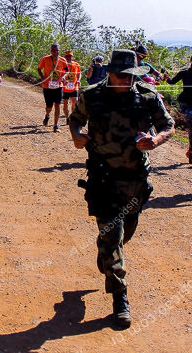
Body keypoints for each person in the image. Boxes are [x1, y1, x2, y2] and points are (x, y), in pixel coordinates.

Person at [69, 50, 174, 328]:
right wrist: (77, 135)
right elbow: (75, 119)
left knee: (124, 233)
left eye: (130, 76)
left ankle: (106, 250)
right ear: (109, 73)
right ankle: (120, 300)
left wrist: (156, 139)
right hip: (104, 179)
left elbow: (168, 125)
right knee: (112, 237)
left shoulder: (148, 97)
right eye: (121, 76)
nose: (126, 80)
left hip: (136, 180)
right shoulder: (92, 95)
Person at [38, 43, 69, 132]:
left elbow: (67, 70)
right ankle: (47, 115)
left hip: (58, 86)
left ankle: (56, 125)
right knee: (49, 107)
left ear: (60, 51)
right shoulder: (45, 59)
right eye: (54, 50)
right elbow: (39, 69)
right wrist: (43, 78)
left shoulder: (62, 60)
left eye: (57, 50)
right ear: (51, 51)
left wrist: (63, 78)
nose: (55, 52)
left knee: (57, 105)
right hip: (47, 86)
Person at [61, 50, 82, 123]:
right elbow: (60, 75)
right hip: (65, 88)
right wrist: (62, 80)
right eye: (67, 56)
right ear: (65, 57)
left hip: (74, 87)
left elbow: (79, 73)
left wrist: (79, 80)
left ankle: (72, 117)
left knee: (74, 102)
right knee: (65, 104)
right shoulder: (62, 65)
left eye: (70, 56)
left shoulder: (76, 64)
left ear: (72, 57)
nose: (69, 58)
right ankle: (67, 118)